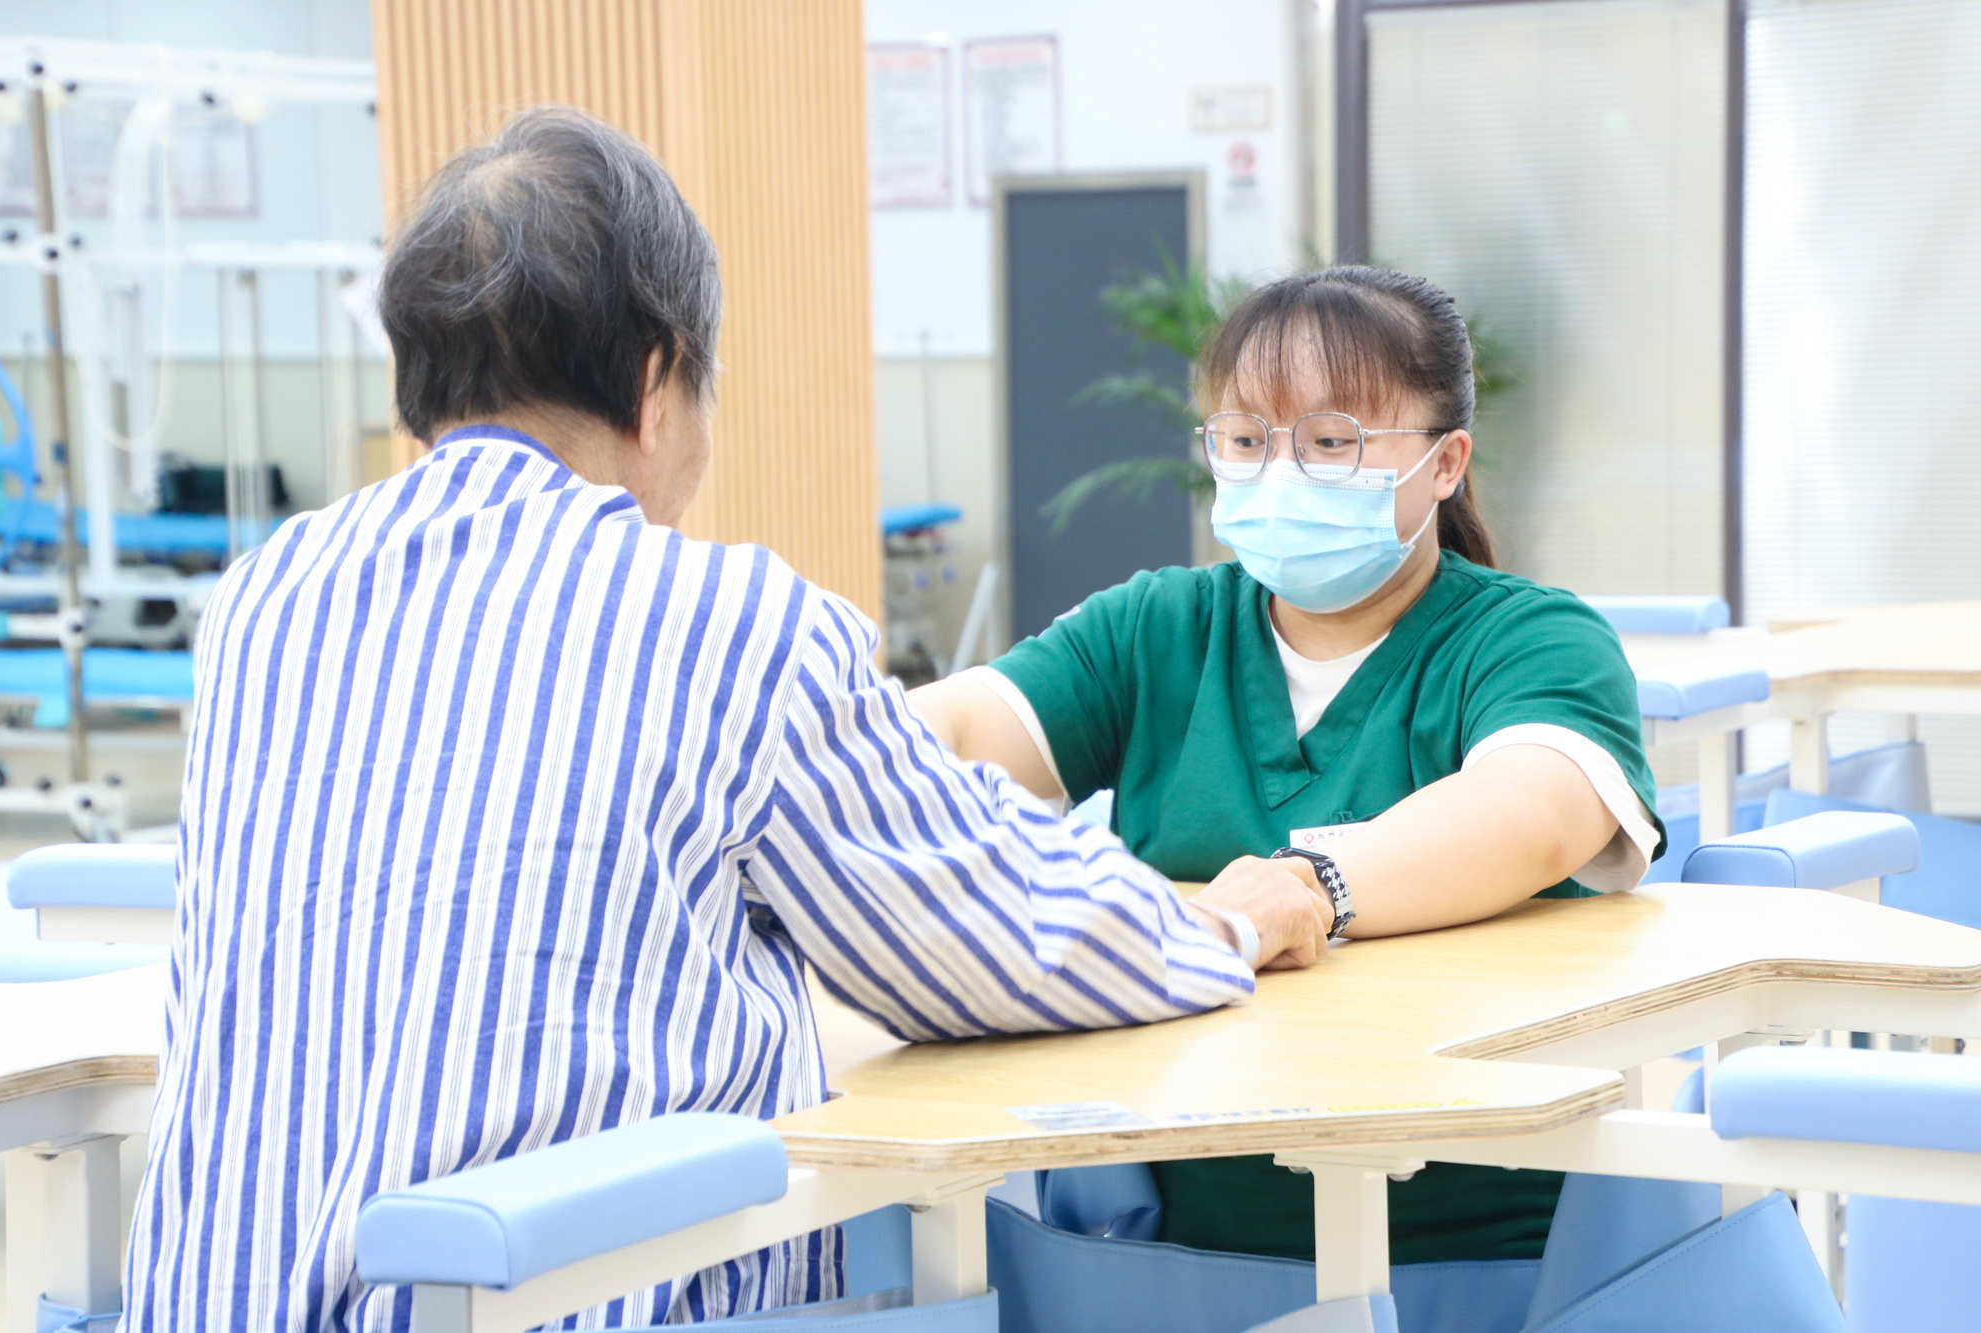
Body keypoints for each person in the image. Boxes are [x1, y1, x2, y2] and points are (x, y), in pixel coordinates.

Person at [119, 107, 1335, 1332]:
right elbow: (983, 934)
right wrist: (1222, 922)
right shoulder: (723, 619)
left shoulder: (263, 597)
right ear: (657, 380)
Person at [909, 266, 1666, 1271]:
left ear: (1444, 464)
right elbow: (957, 733)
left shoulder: (1530, 640)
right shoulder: (1158, 629)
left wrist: (1310, 888)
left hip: (1476, 1252)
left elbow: (1529, 814)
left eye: (1329, 442)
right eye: (1245, 440)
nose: (1279, 473)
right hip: (1177, 1252)